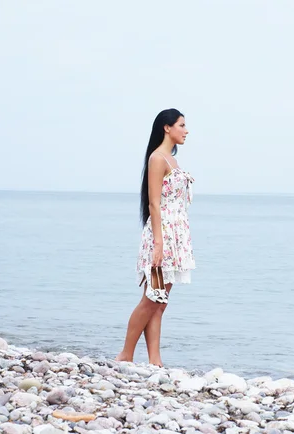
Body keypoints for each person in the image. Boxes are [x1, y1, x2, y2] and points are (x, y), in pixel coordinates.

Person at [116, 108, 195, 367]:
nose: (186, 130)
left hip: (175, 237)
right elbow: (153, 203)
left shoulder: (172, 160)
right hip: (160, 237)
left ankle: (155, 360)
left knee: (161, 303)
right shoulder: (157, 158)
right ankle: (125, 354)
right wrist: (158, 244)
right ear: (167, 128)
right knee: (152, 298)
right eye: (181, 125)